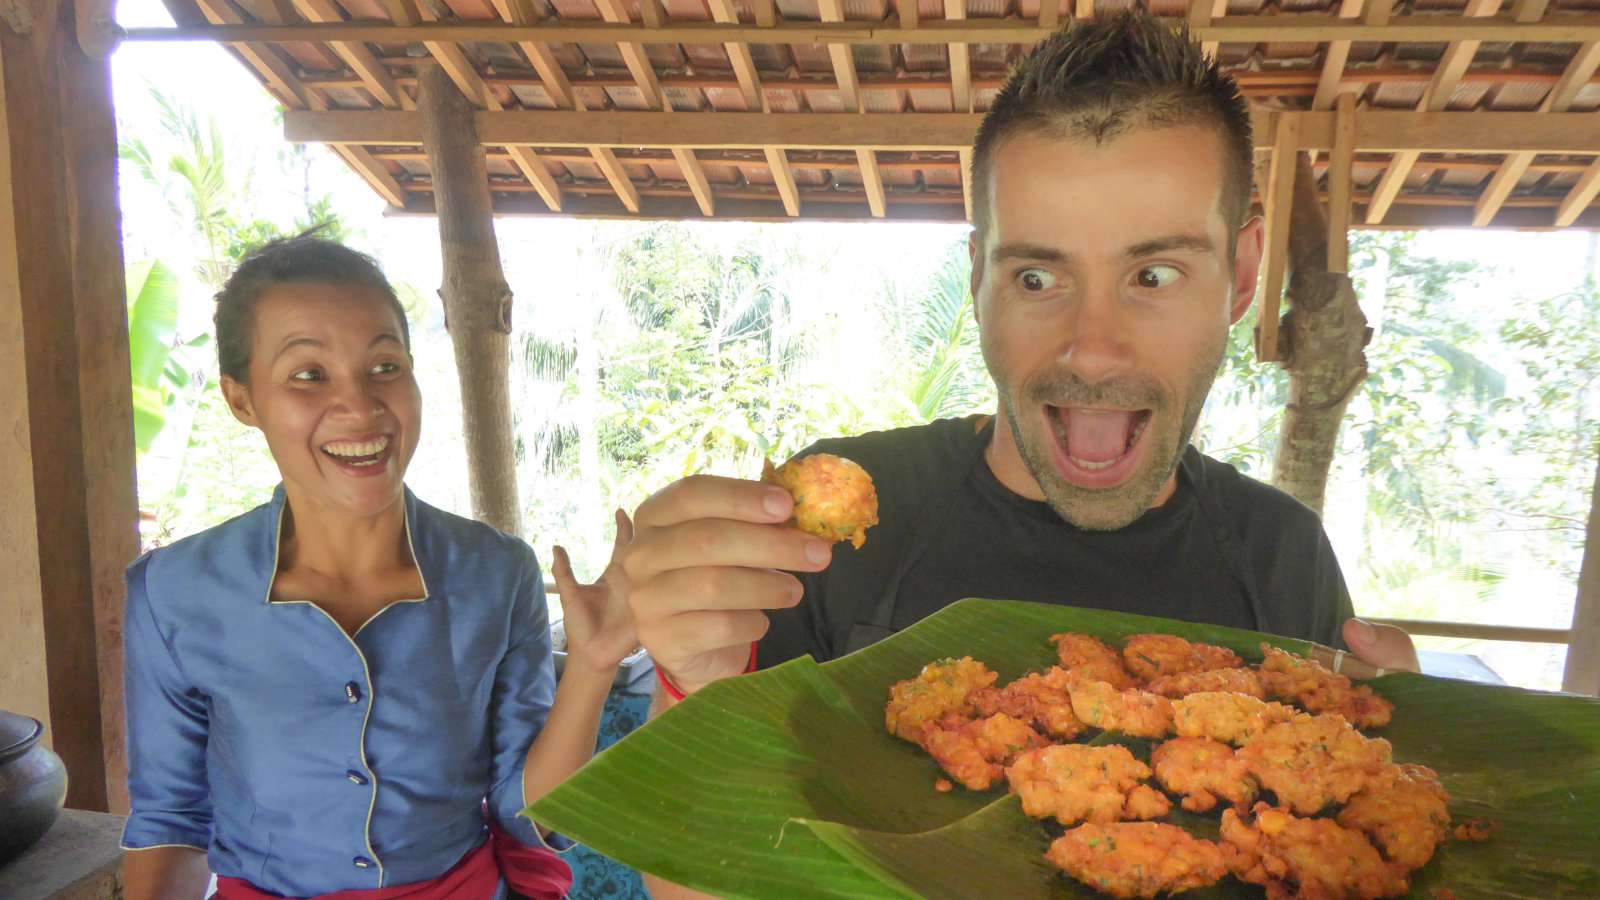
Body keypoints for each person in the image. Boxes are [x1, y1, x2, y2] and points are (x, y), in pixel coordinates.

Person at [621, 12, 1419, 715]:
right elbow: (697, 889)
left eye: (1154, 274)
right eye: (1037, 277)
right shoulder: (825, 545)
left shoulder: (1282, 554)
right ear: (980, 283)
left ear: (1243, 277)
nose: (1095, 347)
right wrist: (697, 682)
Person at [119, 234, 635, 900]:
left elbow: (523, 806)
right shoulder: (175, 593)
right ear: (242, 400)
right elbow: (170, 821)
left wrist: (591, 669)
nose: (360, 406)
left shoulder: (497, 575)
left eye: (385, 366)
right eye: (309, 375)